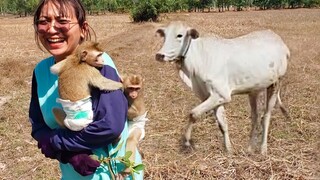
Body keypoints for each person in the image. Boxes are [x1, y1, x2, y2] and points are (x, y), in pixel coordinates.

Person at [28, 0, 144, 179]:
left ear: (83, 29)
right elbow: (38, 126)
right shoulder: (41, 71)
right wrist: (69, 155)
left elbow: (109, 127)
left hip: (115, 173)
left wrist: (55, 142)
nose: (51, 29)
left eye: (62, 21)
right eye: (43, 21)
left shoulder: (97, 62)